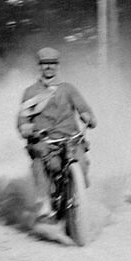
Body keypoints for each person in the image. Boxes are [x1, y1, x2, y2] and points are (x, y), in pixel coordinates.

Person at [18, 46, 97, 219]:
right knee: (40, 164)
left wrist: (87, 117)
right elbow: (23, 118)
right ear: (39, 67)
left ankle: (78, 201)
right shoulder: (31, 92)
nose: (49, 67)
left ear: (58, 66)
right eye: (45, 64)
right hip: (46, 143)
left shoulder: (67, 89)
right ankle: (45, 202)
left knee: (82, 166)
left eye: (52, 63)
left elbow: (82, 107)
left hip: (71, 140)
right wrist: (25, 127)